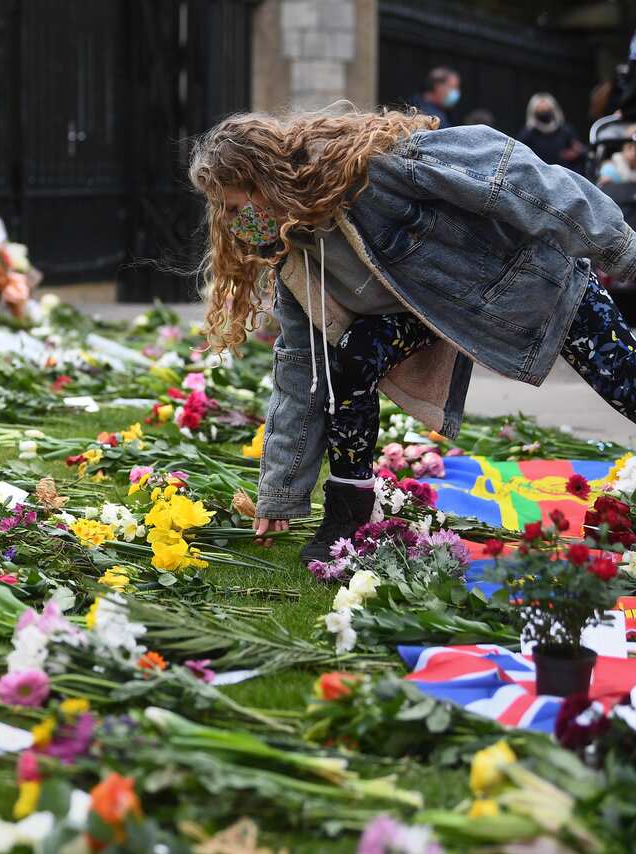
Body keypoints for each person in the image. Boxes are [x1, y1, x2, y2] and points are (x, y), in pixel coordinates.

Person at [187, 105, 636, 563]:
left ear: (265, 181)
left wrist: (620, 247)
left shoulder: (376, 168)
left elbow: (509, 173)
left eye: (235, 207)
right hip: (429, 314)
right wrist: (281, 492)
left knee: (627, 387)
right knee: (352, 357)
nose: (232, 223)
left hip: (535, 284)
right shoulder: (295, 253)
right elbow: (303, 369)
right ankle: (348, 511)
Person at [517, 93, 585, 174]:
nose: (544, 112)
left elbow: (581, 151)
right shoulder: (527, 134)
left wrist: (576, 154)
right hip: (539, 174)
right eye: (540, 109)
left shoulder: (565, 131)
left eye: (546, 109)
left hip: (564, 174)